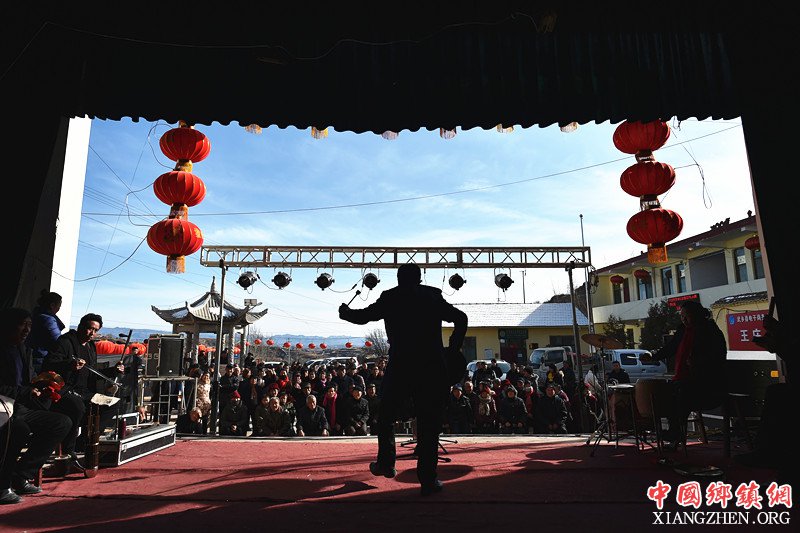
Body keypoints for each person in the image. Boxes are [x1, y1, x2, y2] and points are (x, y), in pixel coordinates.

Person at [339, 263, 467, 496]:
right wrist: (452, 349)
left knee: (386, 416)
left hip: (401, 366)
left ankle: (386, 463)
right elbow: (461, 318)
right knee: (429, 424)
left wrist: (346, 313)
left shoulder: (391, 297)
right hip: (431, 368)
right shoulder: (432, 296)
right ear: (419, 279)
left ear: (398, 279)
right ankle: (428, 480)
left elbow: (365, 316)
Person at [1, 307, 71, 504]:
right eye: (22, 325)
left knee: (61, 423)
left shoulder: (24, 350)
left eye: (29, 325)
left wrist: (43, 386)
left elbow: (30, 380)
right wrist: (26, 392)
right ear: (9, 326)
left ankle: (21, 475)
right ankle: (2, 485)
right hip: (3, 407)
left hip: (20, 407)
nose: (26, 330)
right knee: (18, 429)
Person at [43, 312, 123, 472]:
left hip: (86, 392)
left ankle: (84, 442)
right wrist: (69, 365)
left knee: (113, 404)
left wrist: (113, 371)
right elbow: (49, 364)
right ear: (80, 326)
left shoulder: (91, 346)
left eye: (95, 330)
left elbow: (92, 373)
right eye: (89, 328)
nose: (92, 333)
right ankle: (69, 451)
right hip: (65, 391)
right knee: (77, 406)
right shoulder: (65, 342)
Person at [648, 300, 727, 445]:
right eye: (682, 316)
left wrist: (699, 362)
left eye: (687, 316)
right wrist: (654, 357)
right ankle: (673, 432)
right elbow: (671, 348)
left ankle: (675, 434)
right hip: (682, 379)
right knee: (664, 393)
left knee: (680, 396)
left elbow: (718, 356)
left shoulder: (711, 331)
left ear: (698, 315)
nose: (684, 319)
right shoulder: (682, 330)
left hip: (705, 383)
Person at [26, 291, 66, 374]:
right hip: (40, 360)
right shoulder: (48, 320)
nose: (59, 308)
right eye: (59, 306)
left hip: (33, 357)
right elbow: (58, 342)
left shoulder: (37, 314)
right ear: (52, 305)